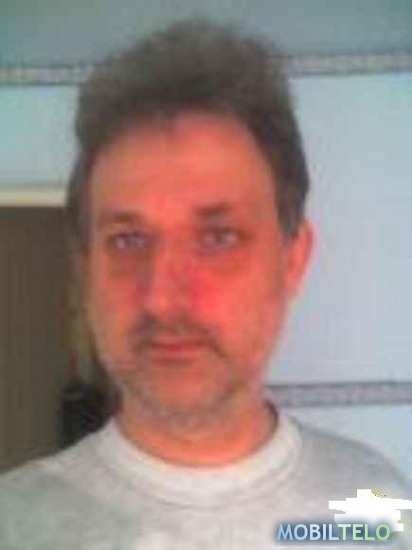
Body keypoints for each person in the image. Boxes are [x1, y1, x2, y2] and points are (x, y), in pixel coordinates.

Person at [0, 19, 410, 549]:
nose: (162, 298)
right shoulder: (16, 524)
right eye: (127, 240)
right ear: (87, 268)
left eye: (219, 237)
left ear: (292, 260)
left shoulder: (374, 506)